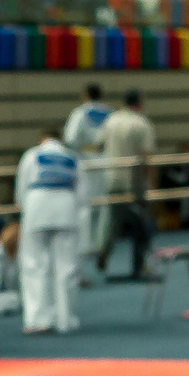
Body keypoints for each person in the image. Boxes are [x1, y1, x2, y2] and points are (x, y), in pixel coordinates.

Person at [15, 124, 84, 335]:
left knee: (34, 265)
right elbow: (83, 195)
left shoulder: (32, 155)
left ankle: (38, 320)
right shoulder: (73, 158)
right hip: (67, 208)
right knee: (67, 267)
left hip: (37, 209)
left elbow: (21, 189)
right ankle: (67, 320)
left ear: (41, 139)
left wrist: (23, 211)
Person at [97, 90, 156, 278]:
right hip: (134, 181)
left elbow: (98, 144)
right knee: (142, 222)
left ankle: (103, 251)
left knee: (113, 221)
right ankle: (140, 263)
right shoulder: (141, 123)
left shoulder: (110, 121)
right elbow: (147, 156)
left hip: (112, 177)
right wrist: (152, 183)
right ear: (139, 102)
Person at [62, 82, 114, 262]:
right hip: (106, 161)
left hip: (86, 162)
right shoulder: (110, 113)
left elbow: (70, 139)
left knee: (86, 205)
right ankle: (101, 243)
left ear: (85, 95)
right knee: (104, 205)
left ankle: (85, 245)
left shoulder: (80, 113)